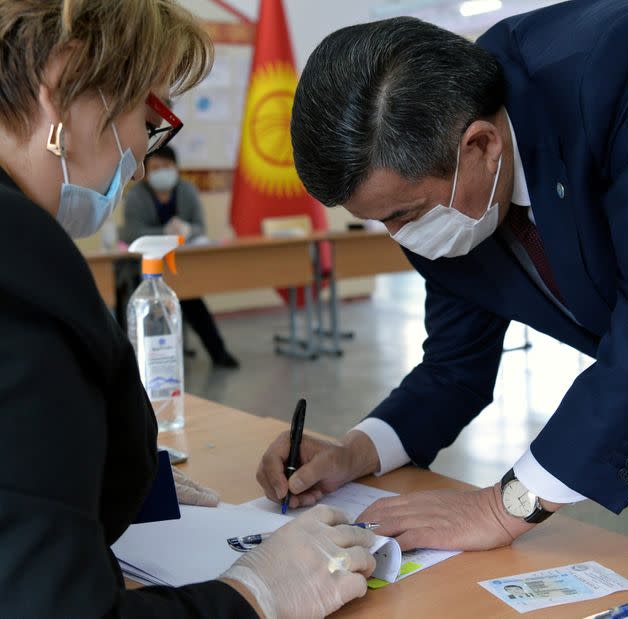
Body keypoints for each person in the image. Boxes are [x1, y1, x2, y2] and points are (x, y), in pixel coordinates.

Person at [258, 0, 628, 584]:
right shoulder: (443, 193)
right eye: (381, 221)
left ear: (482, 147)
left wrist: (504, 504)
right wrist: (356, 452)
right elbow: (453, 369)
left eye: (403, 214)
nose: (400, 237)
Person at [0, 1, 376, 617]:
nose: (144, 158)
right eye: (148, 116)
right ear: (66, 82)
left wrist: (94, 477)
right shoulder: (21, 262)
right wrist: (253, 594)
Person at [122, 145, 240, 369]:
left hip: (181, 267)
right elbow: (131, 233)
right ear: (145, 170)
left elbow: (199, 227)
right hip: (146, 268)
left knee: (192, 299)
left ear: (176, 168)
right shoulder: (136, 196)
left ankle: (218, 352)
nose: (162, 171)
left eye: (167, 166)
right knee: (152, 308)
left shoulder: (186, 191)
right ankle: (149, 360)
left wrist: (186, 229)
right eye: (155, 167)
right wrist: (165, 234)